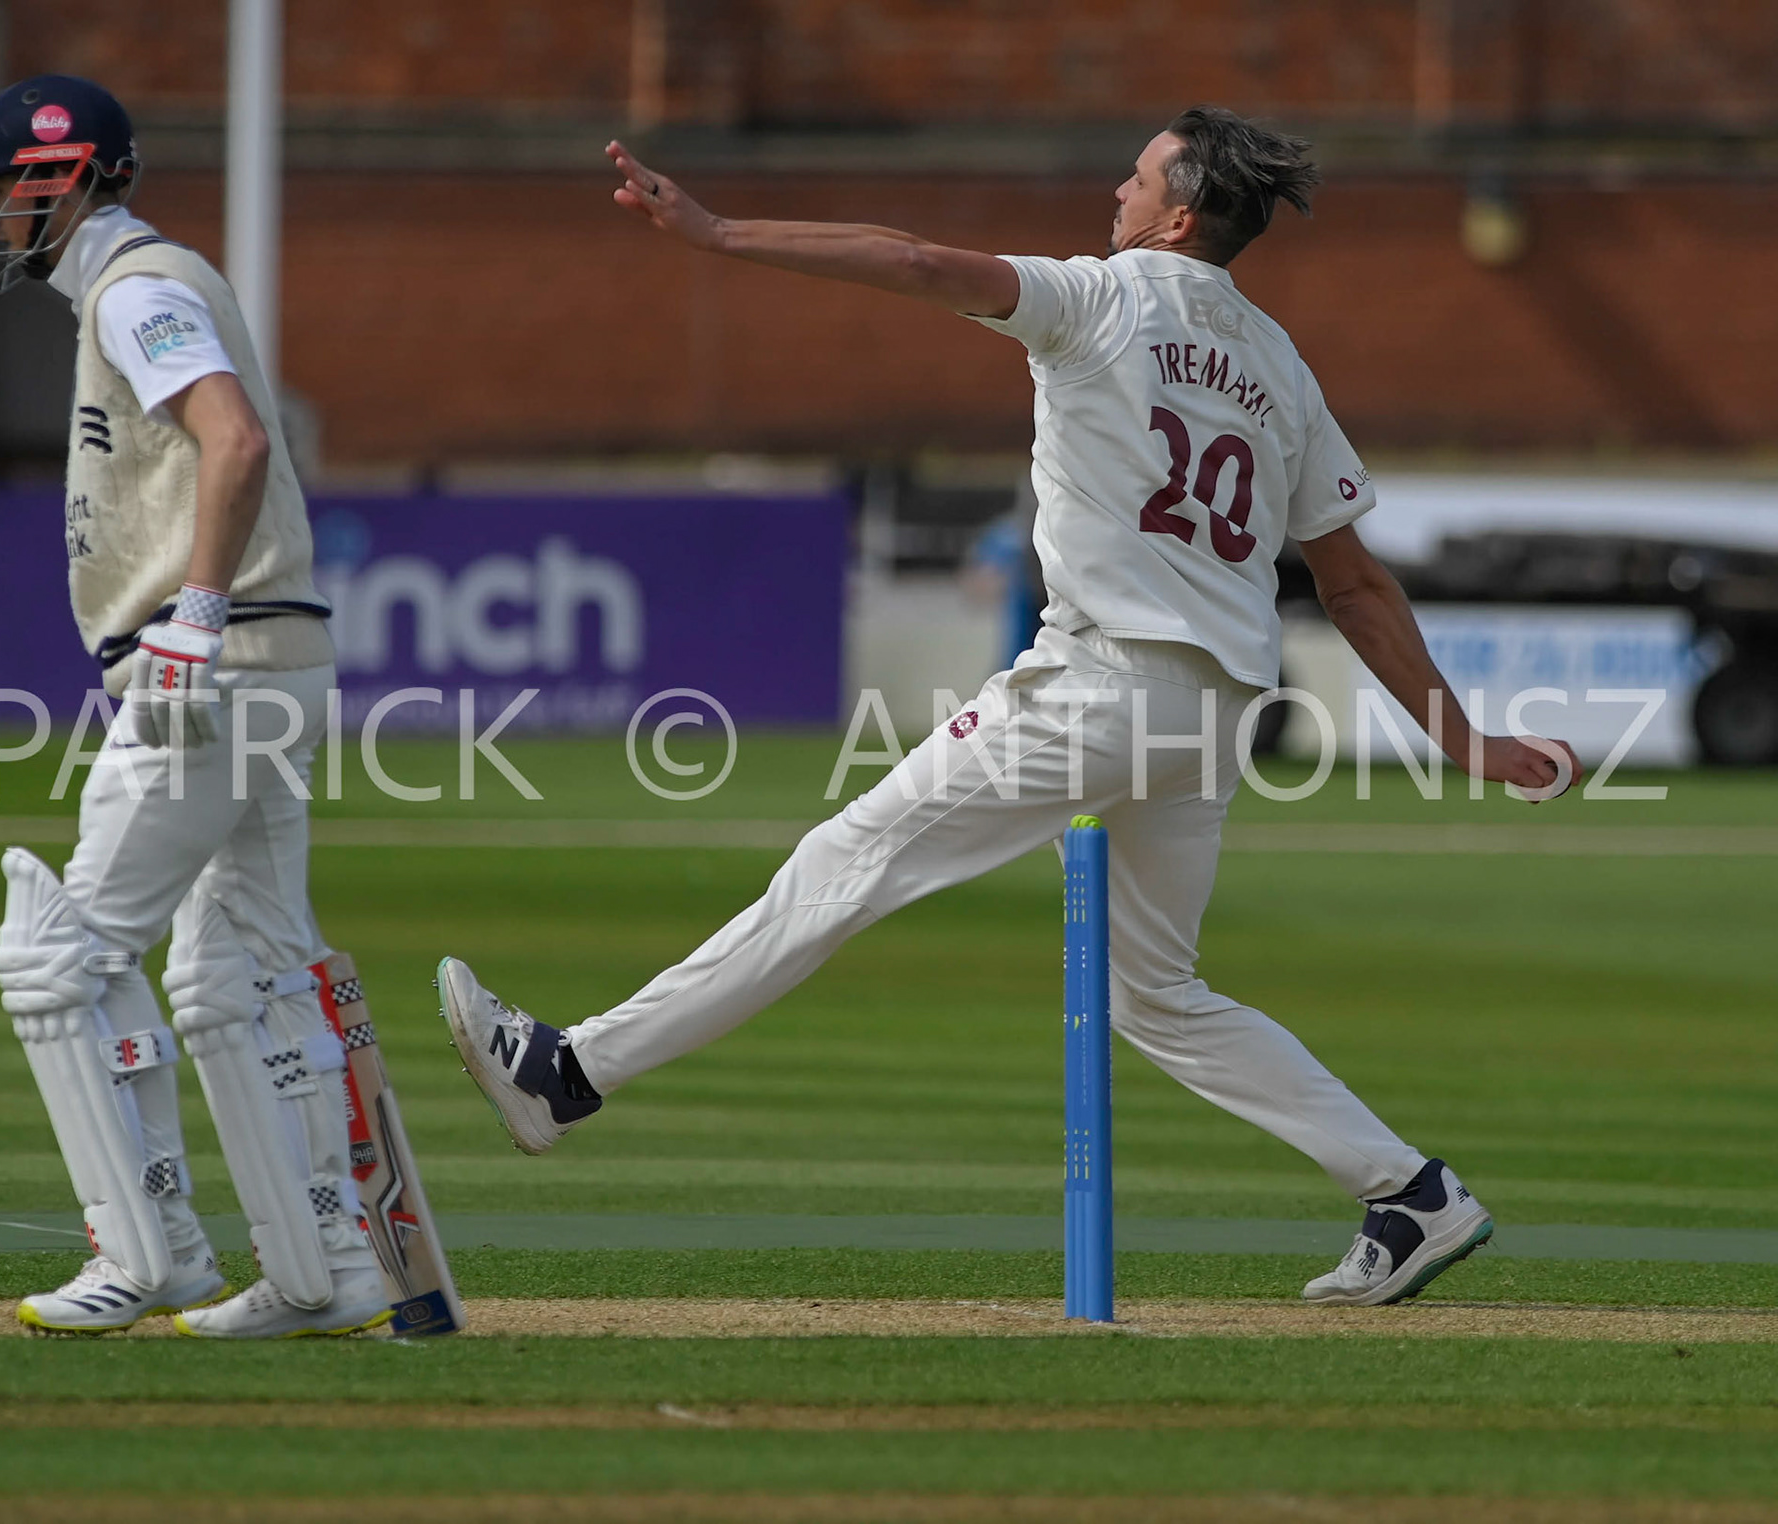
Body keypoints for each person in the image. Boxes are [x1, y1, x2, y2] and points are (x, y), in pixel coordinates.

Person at [438, 106, 1584, 1307]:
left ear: (1179, 214)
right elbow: (1353, 579)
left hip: (1101, 683)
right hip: (1221, 708)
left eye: (1138, 176)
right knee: (1157, 994)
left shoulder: (1098, 297)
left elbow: (924, 264)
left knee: (851, 856)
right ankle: (1412, 1195)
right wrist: (1467, 740)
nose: (1118, 188)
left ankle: (568, 1072)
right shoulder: (1278, 364)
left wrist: (720, 233)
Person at [0, 75, 387, 1337]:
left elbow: (234, 438)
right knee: (243, 965)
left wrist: (193, 612)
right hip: (271, 659)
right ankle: (330, 1272)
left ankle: (146, 1255)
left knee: (57, 957)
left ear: (59, 179)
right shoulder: (144, 286)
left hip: (216, 664)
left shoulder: (137, 291)